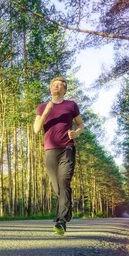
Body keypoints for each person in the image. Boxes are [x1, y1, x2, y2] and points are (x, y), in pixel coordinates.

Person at [34, 77, 85, 236]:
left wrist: (75, 133)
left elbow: (81, 124)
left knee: (64, 182)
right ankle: (66, 212)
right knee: (57, 187)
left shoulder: (71, 105)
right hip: (50, 151)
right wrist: (46, 112)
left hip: (67, 148)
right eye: (54, 85)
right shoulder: (42, 107)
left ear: (64, 90)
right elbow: (36, 129)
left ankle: (61, 221)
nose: (57, 87)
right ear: (51, 89)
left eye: (60, 85)